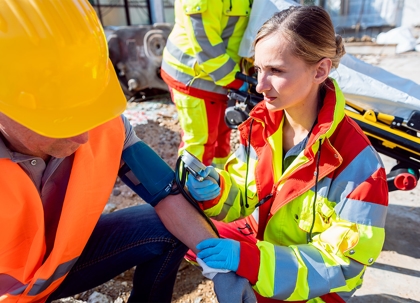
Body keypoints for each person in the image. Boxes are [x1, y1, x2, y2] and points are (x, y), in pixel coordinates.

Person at [0, 1, 256, 303]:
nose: (84, 136)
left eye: (88, 111)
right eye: (61, 120)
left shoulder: (104, 126)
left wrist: (221, 270)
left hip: (55, 271)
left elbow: (166, 195)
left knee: (166, 227)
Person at [186, 5, 389, 303]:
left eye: (276, 71)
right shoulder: (261, 126)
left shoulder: (360, 165)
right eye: (258, 69)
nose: (260, 85)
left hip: (320, 289)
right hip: (268, 247)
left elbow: (342, 264)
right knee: (183, 236)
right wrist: (216, 190)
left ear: (320, 70)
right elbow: (246, 196)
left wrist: (252, 261)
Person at [161, 0, 253, 169]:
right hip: (195, 77)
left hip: (222, 75)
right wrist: (235, 80)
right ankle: (191, 192)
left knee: (220, 137)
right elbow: (204, 41)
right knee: (200, 143)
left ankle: (218, 184)